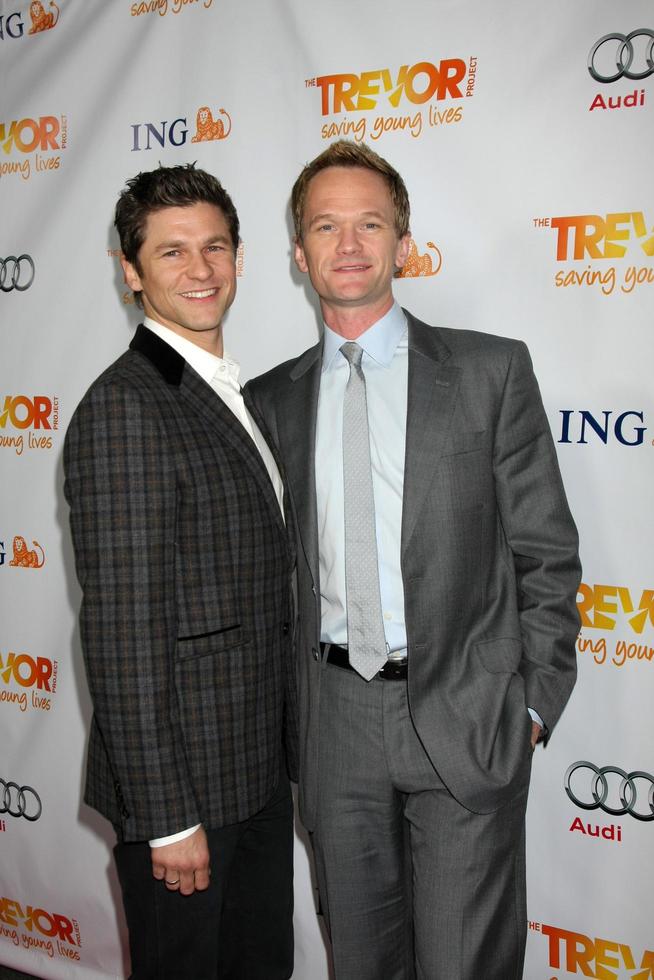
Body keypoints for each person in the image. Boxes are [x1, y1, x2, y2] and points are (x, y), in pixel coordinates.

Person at [246, 140, 581, 979]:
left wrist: (532, 705)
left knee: (465, 963)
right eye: (327, 226)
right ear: (298, 250)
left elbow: (546, 552)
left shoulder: (488, 371)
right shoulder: (270, 400)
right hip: (332, 722)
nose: (349, 244)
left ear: (403, 241)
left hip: (467, 713)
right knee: (360, 962)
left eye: (370, 223)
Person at [64, 164, 297, 980]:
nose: (200, 270)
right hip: (187, 795)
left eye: (215, 247)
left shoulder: (237, 393)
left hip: (257, 775)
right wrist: (167, 820)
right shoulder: (128, 405)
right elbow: (124, 631)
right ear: (131, 273)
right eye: (171, 253)